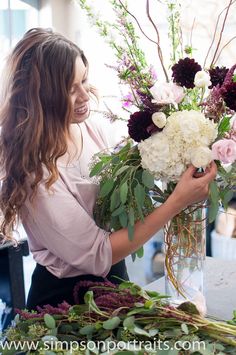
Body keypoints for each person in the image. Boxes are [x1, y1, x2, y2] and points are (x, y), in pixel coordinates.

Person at [0, 28, 217, 309]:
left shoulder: (89, 128)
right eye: (69, 89)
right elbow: (98, 253)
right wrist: (178, 201)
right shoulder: (36, 173)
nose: (85, 95)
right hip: (65, 306)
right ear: (41, 97)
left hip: (116, 283)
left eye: (84, 80)